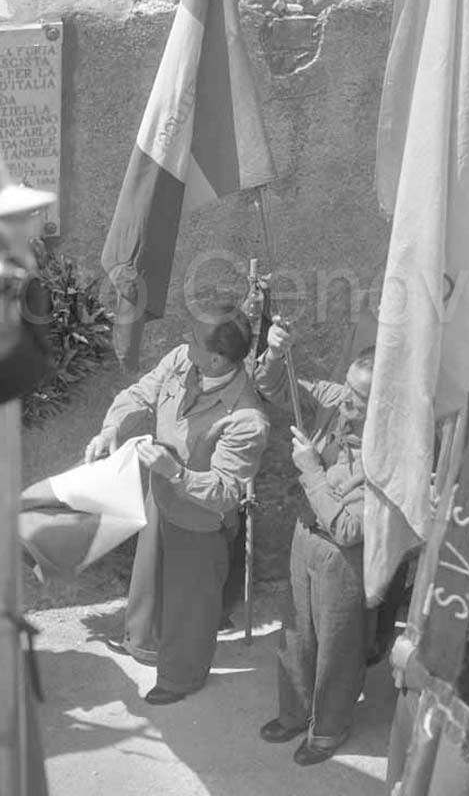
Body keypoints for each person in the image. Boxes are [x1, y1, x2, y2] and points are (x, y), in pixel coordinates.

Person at [85, 300, 269, 705]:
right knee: (149, 582)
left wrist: (177, 474)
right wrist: (111, 428)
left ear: (217, 359)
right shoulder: (183, 360)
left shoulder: (246, 420)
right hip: (162, 496)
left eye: (195, 340)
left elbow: (225, 491)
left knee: (191, 601)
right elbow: (141, 393)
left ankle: (181, 677)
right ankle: (145, 646)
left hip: (201, 520)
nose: (186, 343)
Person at [254, 320, 373, 766]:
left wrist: (309, 467)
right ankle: (295, 711)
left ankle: (329, 728)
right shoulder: (335, 400)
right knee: (296, 632)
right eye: (348, 387)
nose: (346, 400)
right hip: (305, 535)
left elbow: (348, 529)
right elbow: (275, 387)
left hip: (344, 559)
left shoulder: (386, 455)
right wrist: (274, 352)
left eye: (359, 397)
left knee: (338, 647)